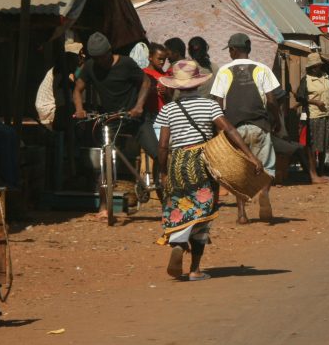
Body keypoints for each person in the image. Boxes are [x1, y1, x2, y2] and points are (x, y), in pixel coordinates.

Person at [155, 59, 260, 281]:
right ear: (197, 83)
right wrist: (250, 156)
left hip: (178, 162)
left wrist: (163, 172)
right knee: (203, 212)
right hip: (203, 161)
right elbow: (229, 130)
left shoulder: (168, 109)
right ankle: (194, 269)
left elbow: (163, 145)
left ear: (175, 85)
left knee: (180, 207)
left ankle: (178, 241)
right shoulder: (210, 105)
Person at [72, 32, 157, 219]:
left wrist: (139, 106)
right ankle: (104, 207)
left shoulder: (126, 63)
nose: (100, 61)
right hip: (111, 119)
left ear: (110, 51)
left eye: (102, 57)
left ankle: (167, 199)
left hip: (135, 118)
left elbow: (146, 82)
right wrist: (79, 109)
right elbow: (78, 89)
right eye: (96, 58)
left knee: (158, 153)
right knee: (105, 162)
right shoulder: (90, 67)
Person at [210, 33, 282, 223]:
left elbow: (217, 103)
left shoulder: (224, 71)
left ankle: (242, 214)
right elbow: (272, 100)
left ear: (232, 50)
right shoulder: (263, 69)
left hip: (235, 130)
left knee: (240, 172)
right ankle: (264, 192)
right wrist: (277, 120)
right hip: (260, 125)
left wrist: (221, 129)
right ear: (248, 49)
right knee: (267, 167)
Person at [295, 53, 329, 184]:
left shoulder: (326, 77)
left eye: (317, 66)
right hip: (313, 116)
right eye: (313, 67)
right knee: (313, 146)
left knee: (323, 145)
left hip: (327, 115)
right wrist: (315, 102)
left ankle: (321, 171)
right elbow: (300, 97)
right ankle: (313, 174)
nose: (316, 69)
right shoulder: (305, 80)